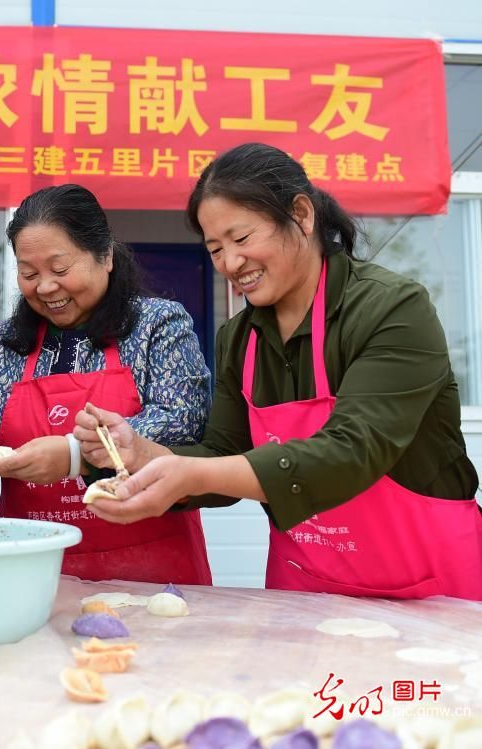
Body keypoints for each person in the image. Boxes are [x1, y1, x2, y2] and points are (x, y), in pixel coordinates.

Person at [76, 143, 482, 600]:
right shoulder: (239, 339)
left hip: (428, 592)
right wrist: (143, 454)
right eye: (215, 249)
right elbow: (222, 454)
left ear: (303, 215)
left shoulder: (393, 309)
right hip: (305, 592)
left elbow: (353, 451)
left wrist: (190, 474)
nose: (231, 263)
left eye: (242, 239)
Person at [0, 184, 213, 583]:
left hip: (150, 568)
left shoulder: (158, 324)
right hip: (32, 570)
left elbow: (184, 421)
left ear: (104, 256)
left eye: (61, 269)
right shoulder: (1, 344)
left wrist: (74, 454)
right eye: (29, 273)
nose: (46, 287)